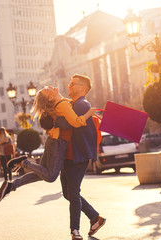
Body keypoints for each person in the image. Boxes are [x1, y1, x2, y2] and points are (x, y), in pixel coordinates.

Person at [0, 85, 95, 203]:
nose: (50, 87)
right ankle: (25, 163)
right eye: (47, 90)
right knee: (50, 177)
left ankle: (11, 186)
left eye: (47, 87)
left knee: (40, 173)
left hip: (53, 141)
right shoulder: (62, 105)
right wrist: (89, 113)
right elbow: (76, 122)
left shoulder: (63, 102)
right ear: (50, 98)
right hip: (58, 143)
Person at [59, 74, 105, 240]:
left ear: (82, 88)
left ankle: (75, 231)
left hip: (77, 157)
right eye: (70, 83)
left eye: (73, 84)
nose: (69, 86)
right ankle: (95, 218)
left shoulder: (81, 105)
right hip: (69, 156)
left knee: (74, 193)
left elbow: (63, 120)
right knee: (68, 193)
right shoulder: (75, 104)